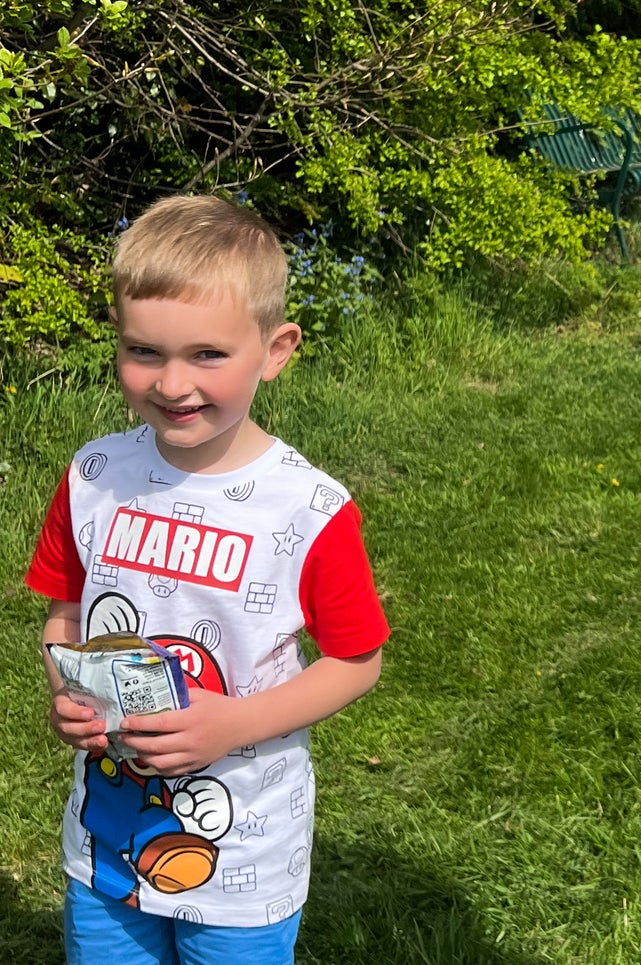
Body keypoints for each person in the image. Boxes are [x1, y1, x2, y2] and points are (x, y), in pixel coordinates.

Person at [25, 194, 390, 965]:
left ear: (276, 348)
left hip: (245, 847)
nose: (172, 382)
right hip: (105, 843)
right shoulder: (95, 474)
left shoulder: (308, 508)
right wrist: (64, 690)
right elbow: (65, 611)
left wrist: (233, 725)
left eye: (208, 355)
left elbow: (358, 660)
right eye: (145, 352)